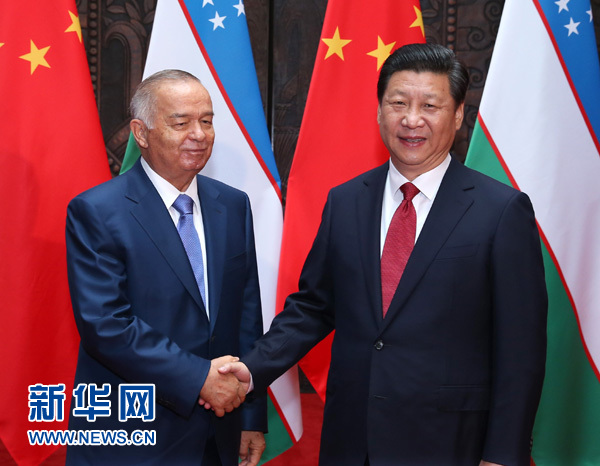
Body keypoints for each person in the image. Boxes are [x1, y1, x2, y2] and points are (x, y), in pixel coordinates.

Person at [219, 44, 548, 465]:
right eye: (398, 103)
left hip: (450, 445)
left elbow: (521, 349)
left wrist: (502, 454)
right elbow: (314, 308)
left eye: (430, 105)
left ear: (458, 115)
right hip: (351, 441)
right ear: (378, 111)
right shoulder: (346, 201)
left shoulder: (501, 211)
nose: (412, 120)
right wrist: (250, 370)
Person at [65, 69, 266, 465]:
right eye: (181, 123)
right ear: (141, 133)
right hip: (134, 433)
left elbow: (246, 315)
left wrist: (250, 416)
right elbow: (106, 326)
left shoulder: (233, 204)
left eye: (206, 121)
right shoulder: (97, 211)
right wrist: (199, 379)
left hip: (220, 429)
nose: (199, 134)